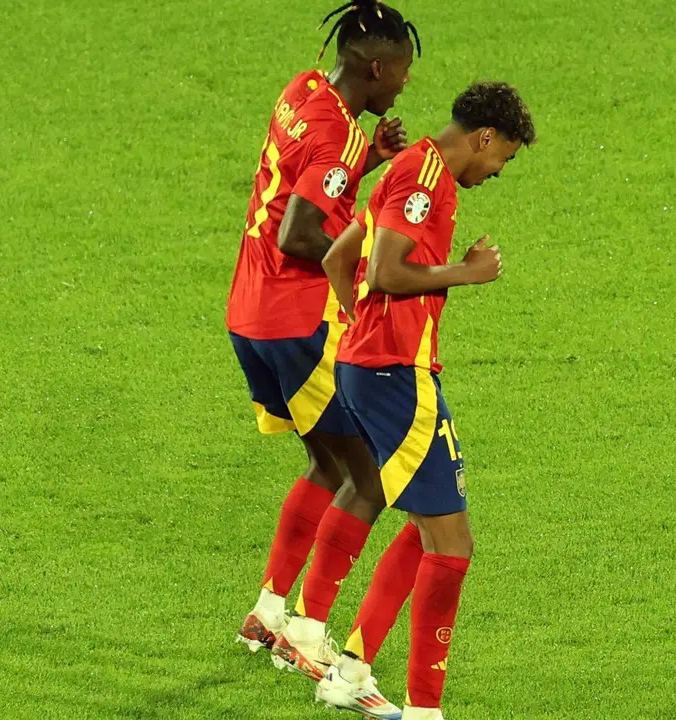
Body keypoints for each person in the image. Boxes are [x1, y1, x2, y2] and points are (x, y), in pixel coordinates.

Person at [315, 81, 536, 720]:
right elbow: (384, 271)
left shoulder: (408, 166)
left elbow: (337, 259)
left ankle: (351, 671)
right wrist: (464, 274)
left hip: (371, 368)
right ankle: (424, 710)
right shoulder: (425, 178)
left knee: (426, 526)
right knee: (452, 543)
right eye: (504, 158)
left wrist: (361, 333)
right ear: (485, 138)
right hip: (395, 377)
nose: (497, 171)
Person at [228, 1, 420, 685]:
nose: (403, 84)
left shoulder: (303, 90)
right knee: (367, 477)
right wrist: (370, 269)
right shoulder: (336, 133)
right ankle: (307, 634)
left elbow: (311, 179)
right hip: (296, 321)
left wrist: (367, 156)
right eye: (400, 71)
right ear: (375, 67)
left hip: (248, 314)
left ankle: (269, 609)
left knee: (327, 467)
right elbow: (300, 234)